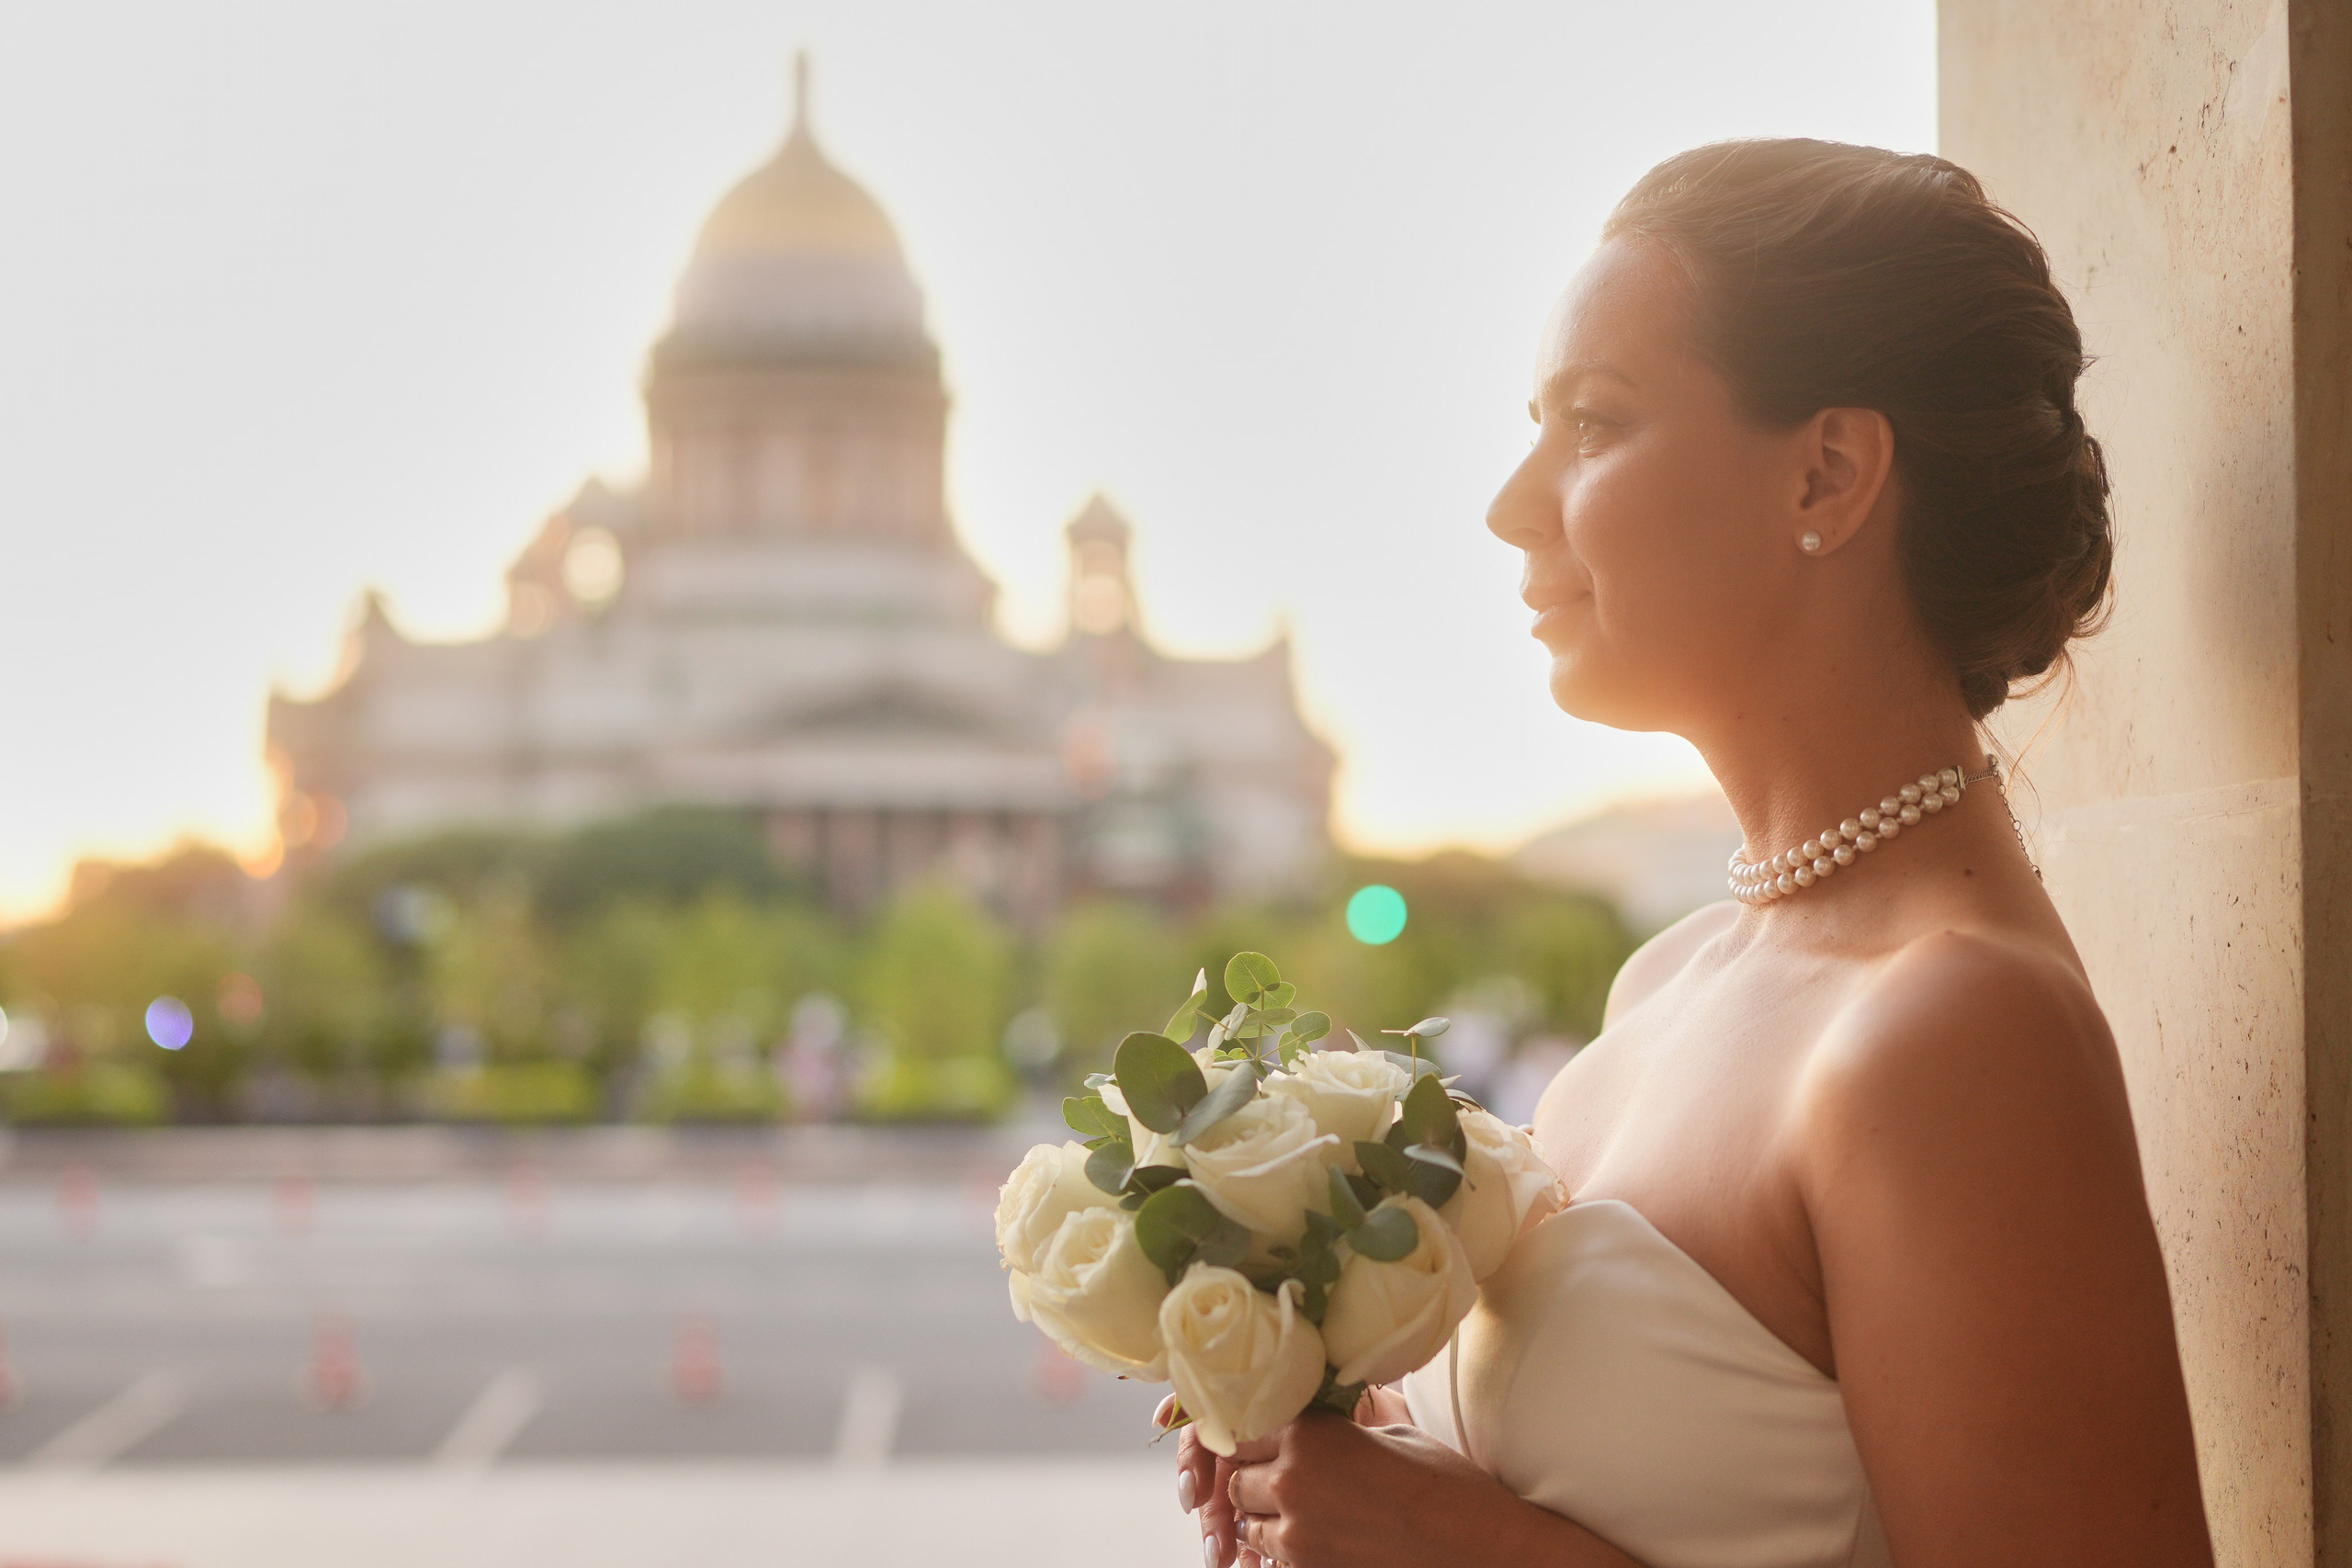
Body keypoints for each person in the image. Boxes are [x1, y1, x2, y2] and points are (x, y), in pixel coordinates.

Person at [1169, 139, 2214, 1568]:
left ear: (1830, 473)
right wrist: (1336, 1448)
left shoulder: (1955, 1029)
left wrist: (1467, 1550)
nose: (1511, 504)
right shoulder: (1668, 979)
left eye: (1594, 426)